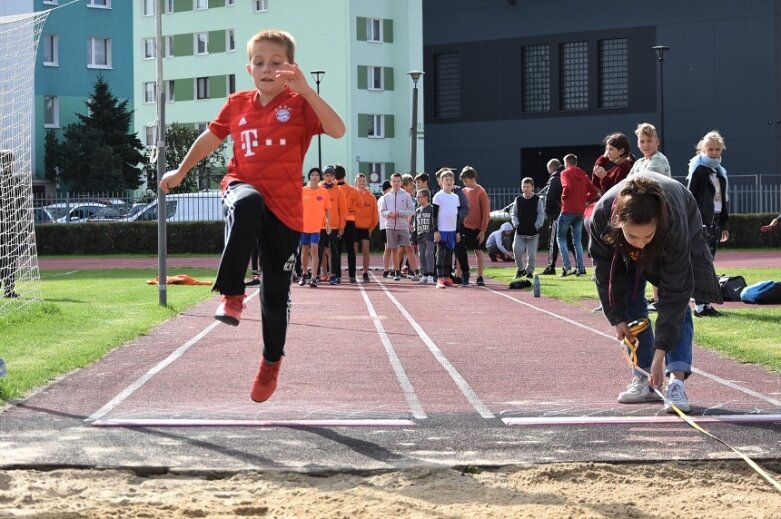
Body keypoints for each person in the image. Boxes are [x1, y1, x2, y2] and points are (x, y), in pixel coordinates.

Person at [159, 29, 345, 403]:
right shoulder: (237, 103)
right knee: (247, 204)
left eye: (276, 63)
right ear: (248, 68)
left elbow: (338, 131)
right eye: (259, 62)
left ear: (290, 68)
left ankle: (271, 361)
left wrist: (308, 90)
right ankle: (231, 294)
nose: (266, 69)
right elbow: (210, 138)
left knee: (276, 297)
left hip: (287, 210)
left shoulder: (300, 104)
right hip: (241, 184)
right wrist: (179, 172)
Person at [588, 173, 722, 413]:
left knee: (676, 303)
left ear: (658, 225)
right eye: (632, 236)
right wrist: (616, 317)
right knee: (627, 300)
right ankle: (642, 376)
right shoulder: (602, 217)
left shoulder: (674, 224)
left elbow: (675, 295)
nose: (640, 244)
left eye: (647, 236)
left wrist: (661, 355)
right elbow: (606, 274)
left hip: (680, 221)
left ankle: (676, 381)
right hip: (620, 240)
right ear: (618, 223)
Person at [628, 122, 671, 311]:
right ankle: (648, 297)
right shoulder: (639, 162)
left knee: (656, 257)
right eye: (642, 141)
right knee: (644, 257)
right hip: (641, 214)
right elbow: (627, 181)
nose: (646, 144)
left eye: (649, 141)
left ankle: (659, 298)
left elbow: (642, 180)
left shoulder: (659, 160)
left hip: (656, 214)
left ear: (657, 142)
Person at [687, 130, 729, 317]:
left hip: (715, 222)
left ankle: (703, 303)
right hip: (701, 223)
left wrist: (725, 225)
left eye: (717, 149)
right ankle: (701, 306)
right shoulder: (699, 170)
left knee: (709, 261)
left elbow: (723, 202)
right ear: (702, 149)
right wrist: (693, 223)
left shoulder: (720, 172)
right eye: (710, 149)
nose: (714, 153)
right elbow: (691, 199)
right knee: (703, 263)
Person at [558, 154, 598, 277]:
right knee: (578, 242)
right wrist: (586, 200)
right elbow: (595, 191)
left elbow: (567, 187)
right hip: (580, 211)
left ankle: (567, 267)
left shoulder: (565, 173)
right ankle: (581, 269)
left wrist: (563, 198)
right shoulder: (584, 175)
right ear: (575, 162)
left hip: (567, 209)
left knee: (561, 238)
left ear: (567, 163)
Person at [379, 173, 417, 281]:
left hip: (403, 226)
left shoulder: (406, 195)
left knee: (409, 248)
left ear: (401, 183)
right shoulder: (386, 197)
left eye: (398, 181)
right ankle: (396, 271)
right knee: (394, 249)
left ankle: (415, 270)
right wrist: (389, 213)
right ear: (391, 183)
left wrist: (400, 213)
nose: (396, 183)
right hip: (390, 227)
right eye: (394, 181)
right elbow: (382, 211)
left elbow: (411, 210)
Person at [299, 167, 331, 288]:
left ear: (320, 178)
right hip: (303, 226)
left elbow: (327, 209)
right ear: (309, 177)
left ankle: (313, 277)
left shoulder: (323, 192)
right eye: (312, 175)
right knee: (304, 251)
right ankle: (304, 274)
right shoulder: (302, 190)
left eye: (317, 175)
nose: (315, 177)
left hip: (316, 227)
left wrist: (328, 222)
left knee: (314, 251)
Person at [541, 158, 573, 276]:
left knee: (554, 241)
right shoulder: (568, 177)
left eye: (548, 169)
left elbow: (550, 197)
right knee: (571, 240)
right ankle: (580, 266)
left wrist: (547, 212)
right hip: (570, 212)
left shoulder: (554, 179)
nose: (548, 171)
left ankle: (551, 266)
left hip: (557, 214)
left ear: (553, 168)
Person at [460, 166, 491, 287]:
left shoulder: (481, 192)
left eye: (466, 181)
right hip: (464, 226)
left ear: (473, 179)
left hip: (477, 228)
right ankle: (460, 274)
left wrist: (482, 230)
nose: (464, 183)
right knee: (461, 251)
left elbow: (485, 213)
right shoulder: (463, 191)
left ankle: (479, 276)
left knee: (478, 251)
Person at [432, 168, 461, 288]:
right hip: (442, 230)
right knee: (441, 253)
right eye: (446, 179)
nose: (449, 181)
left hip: (452, 230)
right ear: (441, 182)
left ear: (453, 181)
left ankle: (447, 277)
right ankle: (440, 278)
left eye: (450, 179)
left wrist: (458, 231)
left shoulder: (455, 197)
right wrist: (436, 230)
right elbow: (434, 215)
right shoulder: (438, 196)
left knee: (450, 254)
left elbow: (457, 215)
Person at [511, 177, 544, 279]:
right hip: (520, 232)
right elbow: (514, 214)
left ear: (532, 187)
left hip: (533, 233)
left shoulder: (537, 200)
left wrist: (536, 225)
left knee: (532, 255)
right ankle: (521, 269)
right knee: (517, 251)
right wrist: (516, 224)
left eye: (527, 187)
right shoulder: (518, 199)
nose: (525, 189)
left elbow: (541, 215)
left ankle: (529, 272)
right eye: (523, 186)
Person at [334, 164, 360, 283]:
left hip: (337, 222)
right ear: (344, 175)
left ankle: (338, 275)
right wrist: (352, 210)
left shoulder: (333, 190)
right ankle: (352, 275)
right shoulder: (352, 190)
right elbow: (360, 205)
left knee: (337, 250)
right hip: (350, 221)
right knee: (351, 250)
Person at [321, 165, 346, 285]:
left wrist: (342, 226)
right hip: (320, 226)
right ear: (323, 177)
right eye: (327, 175)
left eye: (331, 175)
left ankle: (333, 274)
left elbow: (343, 210)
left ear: (334, 177)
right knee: (319, 251)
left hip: (334, 227)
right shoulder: (319, 190)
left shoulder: (339, 191)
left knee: (333, 251)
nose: (329, 178)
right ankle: (320, 273)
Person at [592, 132, 635, 198]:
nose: (608, 152)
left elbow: (613, 195)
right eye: (607, 149)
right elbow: (596, 183)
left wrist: (604, 178)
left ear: (621, 151)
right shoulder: (618, 167)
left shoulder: (624, 168)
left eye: (611, 149)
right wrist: (603, 158)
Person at [353, 173, 378, 282]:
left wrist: (371, 228)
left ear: (366, 182)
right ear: (356, 182)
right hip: (354, 227)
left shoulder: (371, 197)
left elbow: (375, 215)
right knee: (353, 250)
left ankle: (365, 272)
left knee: (366, 250)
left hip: (366, 228)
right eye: (359, 181)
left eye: (363, 181)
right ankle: (352, 272)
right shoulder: (353, 195)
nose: (362, 183)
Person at [413, 188, 436, 284]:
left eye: (419, 197)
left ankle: (431, 275)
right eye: (416, 197)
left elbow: (434, 222)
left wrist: (435, 232)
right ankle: (425, 274)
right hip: (420, 236)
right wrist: (414, 237)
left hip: (429, 235)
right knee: (422, 255)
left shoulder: (431, 209)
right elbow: (416, 225)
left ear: (426, 197)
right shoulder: (418, 210)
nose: (417, 199)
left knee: (429, 254)